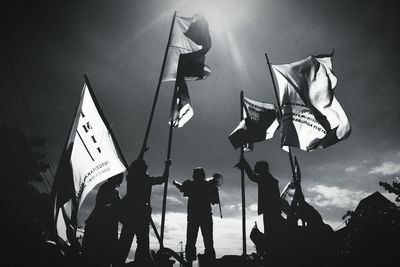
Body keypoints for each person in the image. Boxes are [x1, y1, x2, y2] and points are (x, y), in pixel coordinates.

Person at [117, 158, 171, 265]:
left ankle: (119, 263)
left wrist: (142, 151)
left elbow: (135, 164)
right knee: (142, 244)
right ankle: (138, 263)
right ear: (143, 168)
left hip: (131, 215)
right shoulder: (146, 179)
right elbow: (163, 179)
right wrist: (167, 166)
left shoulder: (131, 177)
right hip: (140, 215)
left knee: (126, 242)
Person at [235, 157, 282, 264]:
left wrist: (245, 164)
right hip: (272, 211)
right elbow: (253, 176)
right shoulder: (268, 179)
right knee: (270, 234)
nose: (255, 168)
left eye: (257, 167)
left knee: (270, 234)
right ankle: (271, 255)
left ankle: (271, 257)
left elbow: (252, 177)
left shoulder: (266, 179)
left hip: (271, 211)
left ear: (262, 169)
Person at [173, 167, 219, 267]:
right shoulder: (209, 185)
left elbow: (182, 188)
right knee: (208, 241)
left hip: (193, 217)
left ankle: (189, 263)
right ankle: (211, 262)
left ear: (194, 175)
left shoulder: (190, 185)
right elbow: (215, 201)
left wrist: (176, 183)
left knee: (190, 241)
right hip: (206, 216)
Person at [82, 173, 124, 267]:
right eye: (119, 178)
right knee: (96, 256)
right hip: (99, 225)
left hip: (109, 226)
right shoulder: (105, 188)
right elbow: (105, 206)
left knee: (107, 256)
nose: (120, 180)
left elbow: (121, 208)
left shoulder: (116, 191)